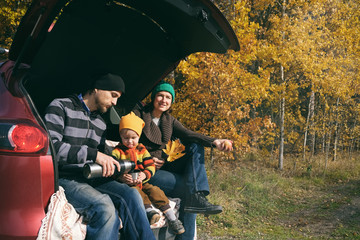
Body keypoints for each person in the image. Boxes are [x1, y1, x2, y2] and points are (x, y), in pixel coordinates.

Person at [44, 73, 155, 240]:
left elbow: (103, 158)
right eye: (113, 95)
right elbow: (51, 150)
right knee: (105, 207)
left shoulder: (100, 123)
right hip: (65, 177)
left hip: (93, 177)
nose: (115, 102)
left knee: (131, 195)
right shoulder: (60, 106)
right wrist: (94, 155)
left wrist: (119, 172)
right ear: (96, 89)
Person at [132, 81, 233, 239]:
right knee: (189, 193)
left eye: (168, 97)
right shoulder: (138, 115)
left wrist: (215, 141)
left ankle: (197, 194)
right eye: (160, 95)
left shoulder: (169, 120)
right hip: (147, 171)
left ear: (171, 102)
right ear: (153, 97)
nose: (164, 100)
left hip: (165, 167)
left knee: (195, 145)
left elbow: (190, 134)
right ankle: (195, 197)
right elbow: (127, 139)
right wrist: (145, 158)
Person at [112, 112, 185, 235]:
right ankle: (150, 212)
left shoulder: (142, 150)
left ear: (139, 136)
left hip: (143, 181)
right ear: (121, 137)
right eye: (126, 138)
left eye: (133, 138)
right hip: (129, 185)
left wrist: (145, 174)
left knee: (155, 191)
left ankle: (172, 217)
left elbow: (150, 165)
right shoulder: (118, 151)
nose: (130, 141)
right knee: (137, 193)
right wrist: (121, 177)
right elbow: (114, 168)